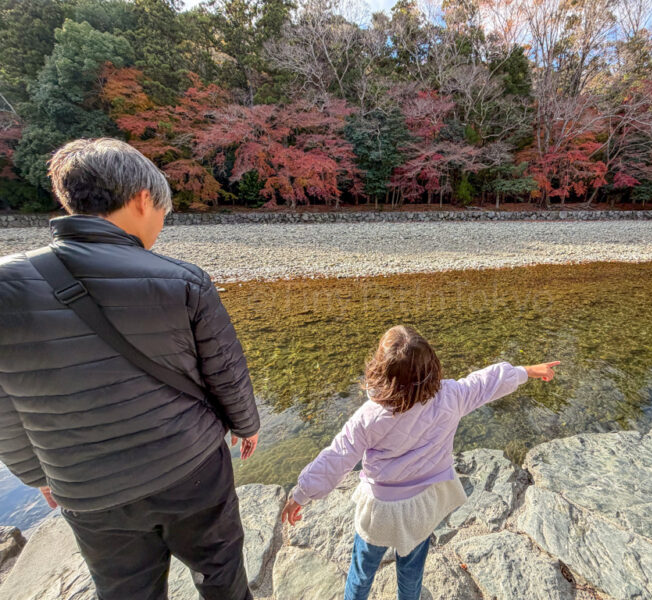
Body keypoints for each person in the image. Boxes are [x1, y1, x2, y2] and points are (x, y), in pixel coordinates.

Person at [0, 138, 260, 600]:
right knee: (220, 571)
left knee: (125, 590)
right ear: (143, 200)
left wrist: (36, 474)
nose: (160, 225)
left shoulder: (6, 286)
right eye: (163, 213)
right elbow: (225, 370)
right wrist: (246, 425)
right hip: (191, 467)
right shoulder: (182, 280)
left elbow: (3, 402)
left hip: (86, 486)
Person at [280, 325, 559, 600]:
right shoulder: (451, 396)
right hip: (422, 507)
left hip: (379, 510)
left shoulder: (369, 417)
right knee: (411, 572)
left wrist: (301, 494)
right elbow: (487, 382)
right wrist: (527, 371)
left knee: (362, 571)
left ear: (380, 371)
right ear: (432, 368)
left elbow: (336, 457)